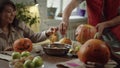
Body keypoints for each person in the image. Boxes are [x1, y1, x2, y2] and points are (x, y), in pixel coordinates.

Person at [59, 0, 120, 65]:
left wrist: (106, 24)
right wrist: (64, 21)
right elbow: (71, 5)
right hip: (94, 35)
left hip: (116, 34)